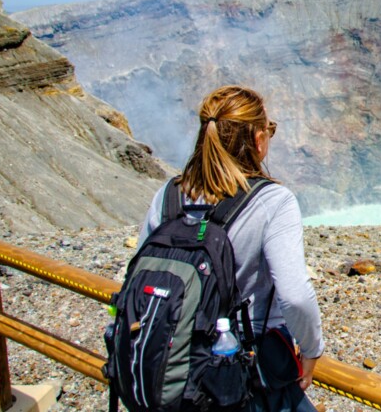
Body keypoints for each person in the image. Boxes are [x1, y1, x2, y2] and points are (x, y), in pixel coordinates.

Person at [138, 85, 324, 412]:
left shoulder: (167, 195)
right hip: (246, 370)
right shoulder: (272, 201)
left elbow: (141, 277)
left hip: (173, 363)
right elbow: (295, 295)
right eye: (270, 130)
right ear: (257, 139)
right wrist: (311, 350)